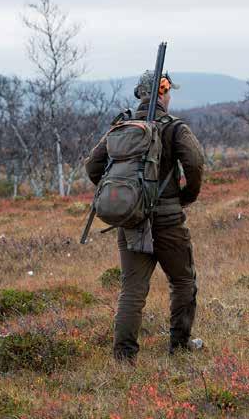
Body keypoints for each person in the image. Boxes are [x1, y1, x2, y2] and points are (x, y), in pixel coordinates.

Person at [85, 71, 205, 363]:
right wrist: (185, 197)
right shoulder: (175, 128)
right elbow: (195, 162)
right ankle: (179, 345)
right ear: (164, 94)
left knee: (132, 290)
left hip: (131, 221)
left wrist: (127, 195)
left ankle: (124, 356)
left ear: (140, 94)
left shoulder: (122, 126)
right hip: (168, 220)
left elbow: (92, 167)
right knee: (183, 281)